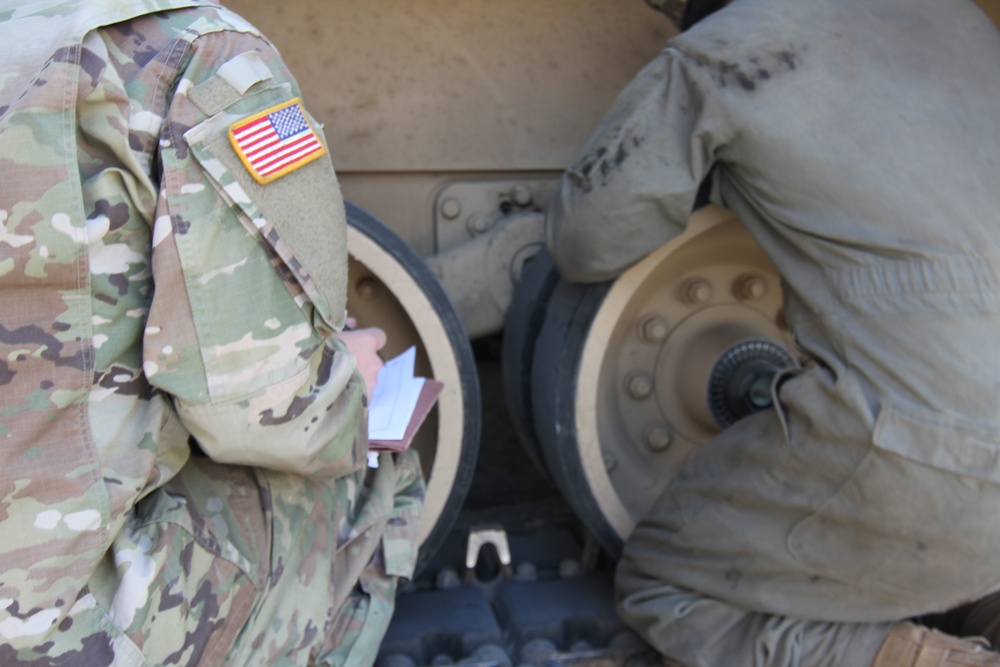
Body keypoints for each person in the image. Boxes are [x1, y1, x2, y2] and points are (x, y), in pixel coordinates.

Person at [544, 0, 1000, 665]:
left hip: (928, 445)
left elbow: (584, 242)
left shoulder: (727, 50)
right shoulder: (965, 22)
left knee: (665, 584)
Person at [0, 1, 424, 664]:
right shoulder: (198, 55)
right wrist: (350, 379)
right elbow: (266, 409)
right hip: (43, 626)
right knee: (369, 463)